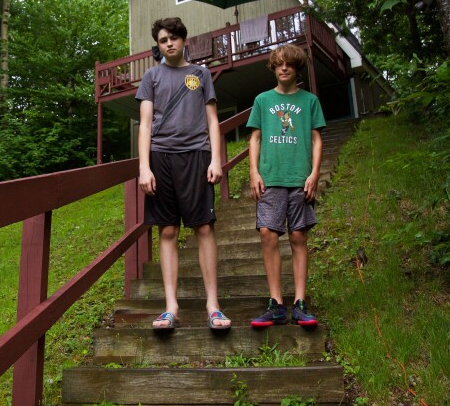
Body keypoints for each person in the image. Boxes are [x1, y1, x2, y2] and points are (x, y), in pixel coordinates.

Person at [136, 17, 231, 330]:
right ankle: (171, 306)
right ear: (159, 44)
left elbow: (213, 120)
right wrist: (144, 167)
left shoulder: (200, 74)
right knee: (167, 231)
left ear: (184, 40)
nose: (169, 44)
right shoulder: (151, 76)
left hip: (197, 156)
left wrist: (216, 160)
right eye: (163, 40)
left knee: (203, 228)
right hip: (161, 158)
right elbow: (146, 124)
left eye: (174, 38)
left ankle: (213, 305)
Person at [246, 44, 325, 327]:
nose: (283, 68)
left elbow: (316, 138)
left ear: (296, 69)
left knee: (298, 237)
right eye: (279, 64)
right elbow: (254, 138)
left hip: (299, 177)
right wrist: (254, 171)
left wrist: (315, 173)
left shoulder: (309, 101)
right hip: (270, 177)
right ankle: (276, 303)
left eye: (289, 65)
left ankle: (300, 303)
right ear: (273, 67)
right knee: (268, 233)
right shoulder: (262, 100)